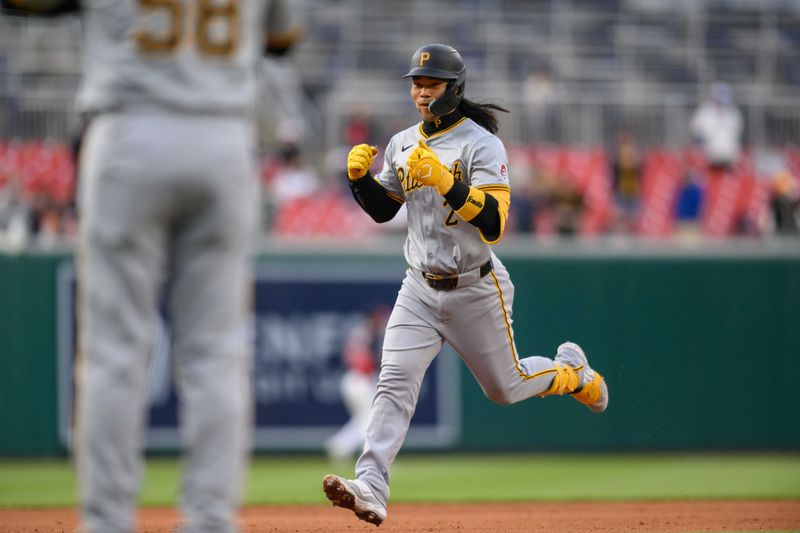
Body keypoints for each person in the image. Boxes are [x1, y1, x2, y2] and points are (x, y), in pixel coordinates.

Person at [1, 1, 300, 532]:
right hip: (223, 138)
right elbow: (283, 38)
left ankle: (108, 521)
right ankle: (210, 520)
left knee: (115, 352)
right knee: (217, 354)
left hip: (130, 131)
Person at [322, 43, 609, 527]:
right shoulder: (402, 142)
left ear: (453, 90)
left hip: (476, 286)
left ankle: (571, 374)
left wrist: (446, 182)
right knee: (393, 382)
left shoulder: (482, 144)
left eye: (430, 84)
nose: (421, 91)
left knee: (506, 386)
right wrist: (358, 182)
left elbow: (496, 223)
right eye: (416, 82)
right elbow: (383, 209)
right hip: (418, 286)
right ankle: (370, 485)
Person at [325, 305, 389, 464]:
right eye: (378, 317)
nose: (381, 321)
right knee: (369, 421)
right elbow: (359, 359)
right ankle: (368, 456)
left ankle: (339, 444)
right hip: (359, 380)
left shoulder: (366, 332)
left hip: (358, 381)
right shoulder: (364, 333)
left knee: (363, 420)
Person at [690, 82, 744, 180]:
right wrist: (701, 146)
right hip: (710, 153)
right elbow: (697, 131)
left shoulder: (733, 112)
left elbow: (737, 132)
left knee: (729, 182)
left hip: (729, 153)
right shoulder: (704, 111)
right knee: (708, 180)